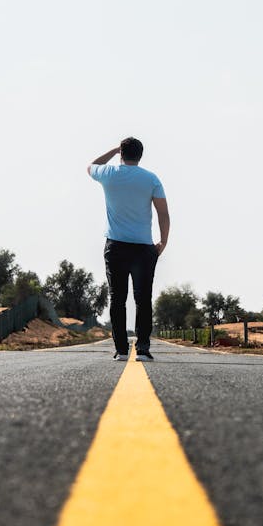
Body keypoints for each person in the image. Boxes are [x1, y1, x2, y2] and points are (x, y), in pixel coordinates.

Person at [87, 137, 170, 362]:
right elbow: (163, 213)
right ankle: (142, 349)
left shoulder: (109, 174)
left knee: (118, 298)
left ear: (122, 154)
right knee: (143, 299)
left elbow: (91, 166)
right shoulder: (151, 179)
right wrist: (163, 242)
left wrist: (113, 151)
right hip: (144, 247)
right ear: (141, 155)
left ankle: (122, 350)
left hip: (116, 246)